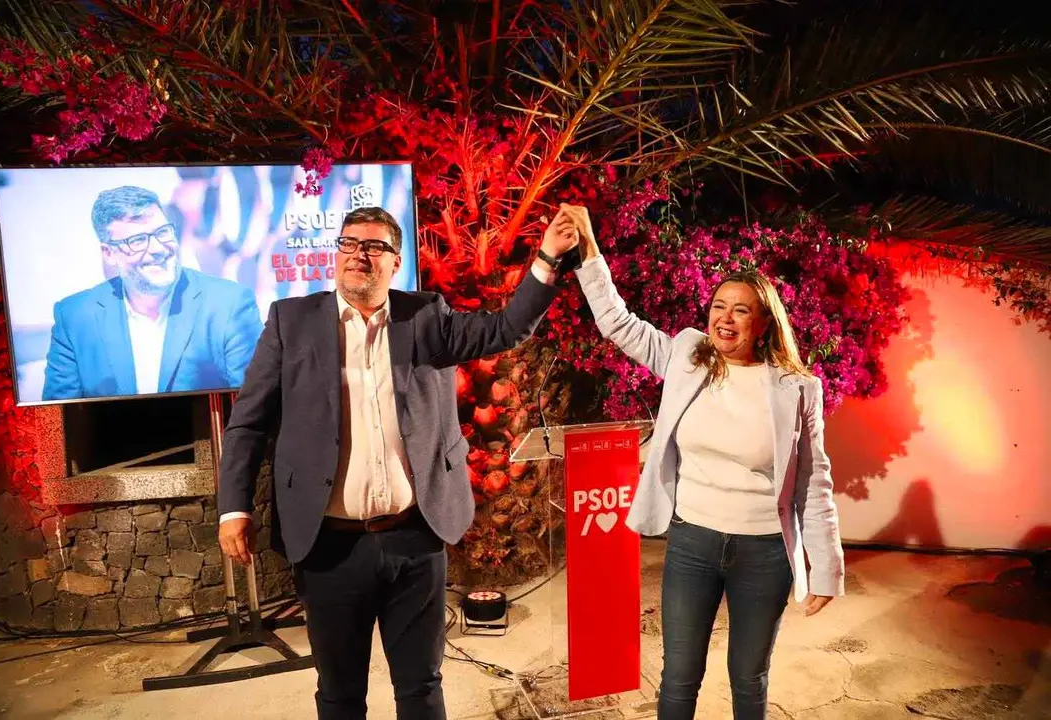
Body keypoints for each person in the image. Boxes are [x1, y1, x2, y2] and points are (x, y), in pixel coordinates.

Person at [216, 205, 580, 719]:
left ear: (395, 260)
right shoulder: (291, 321)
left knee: (421, 687)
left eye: (372, 246)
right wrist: (234, 508)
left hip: (414, 538)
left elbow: (506, 330)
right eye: (348, 243)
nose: (357, 255)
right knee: (340, 694)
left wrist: (546, 259)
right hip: (328, 546)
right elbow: (249, 422)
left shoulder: (425, 316)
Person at [563, 205, 844, 720]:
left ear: (763, 323)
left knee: (748, 678)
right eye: (718, 305)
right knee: (678, 676)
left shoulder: (797, 389)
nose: (724, 318)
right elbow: (617, 323)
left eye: (740, 310)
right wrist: (588, 251)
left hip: (765, 552)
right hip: (692, 542)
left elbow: (814, 483)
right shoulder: (687, 356)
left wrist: (826, 568)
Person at [42, 185, 264, 401]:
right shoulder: (74, 316)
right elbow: (57, 416)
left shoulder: (230, 304)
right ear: (109, 253)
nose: (158, 248)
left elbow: (255, 406)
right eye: (137, 240)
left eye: (162, 232)